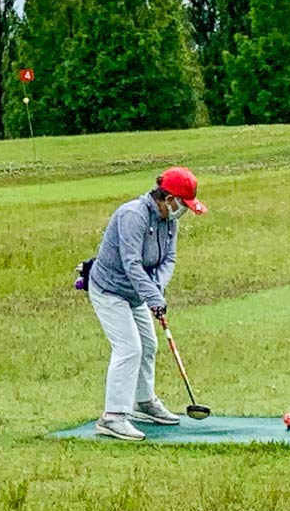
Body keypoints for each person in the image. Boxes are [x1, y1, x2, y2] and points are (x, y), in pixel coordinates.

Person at [86, 167, 208, 441]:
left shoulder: (169, 221)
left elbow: (168, 259)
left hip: (137, 291)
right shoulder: (133, 216)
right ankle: (113, 417)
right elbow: (131, 263)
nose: (184, 211)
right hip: (109, 290)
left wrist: (156, 291)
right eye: (182, 204)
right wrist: (153, 297)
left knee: (149, 345)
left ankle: (143, 403)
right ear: (168, 197)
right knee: (129, 348)